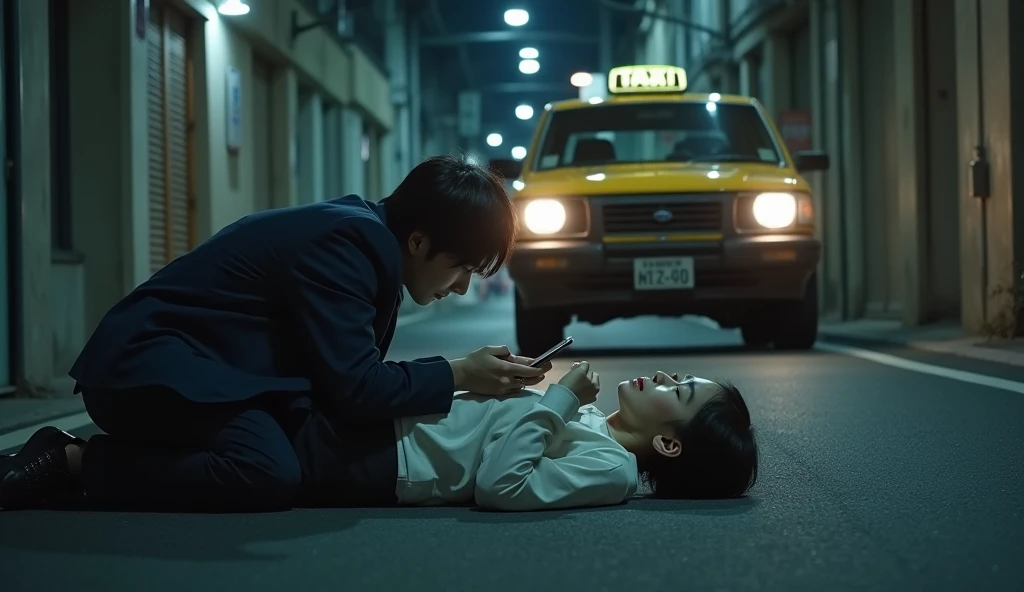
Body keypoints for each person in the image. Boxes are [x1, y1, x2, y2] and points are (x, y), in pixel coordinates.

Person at [0, 154, 552, 511]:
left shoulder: (364, 236)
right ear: (418, 241)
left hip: (205, 375)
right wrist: (458, 372)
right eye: (460, 268)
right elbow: (356, 389)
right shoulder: (351, 247)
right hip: (147, 370)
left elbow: (342, 386)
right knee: (266, 471)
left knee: (283, 454)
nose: (460, 288)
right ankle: (73, 460)